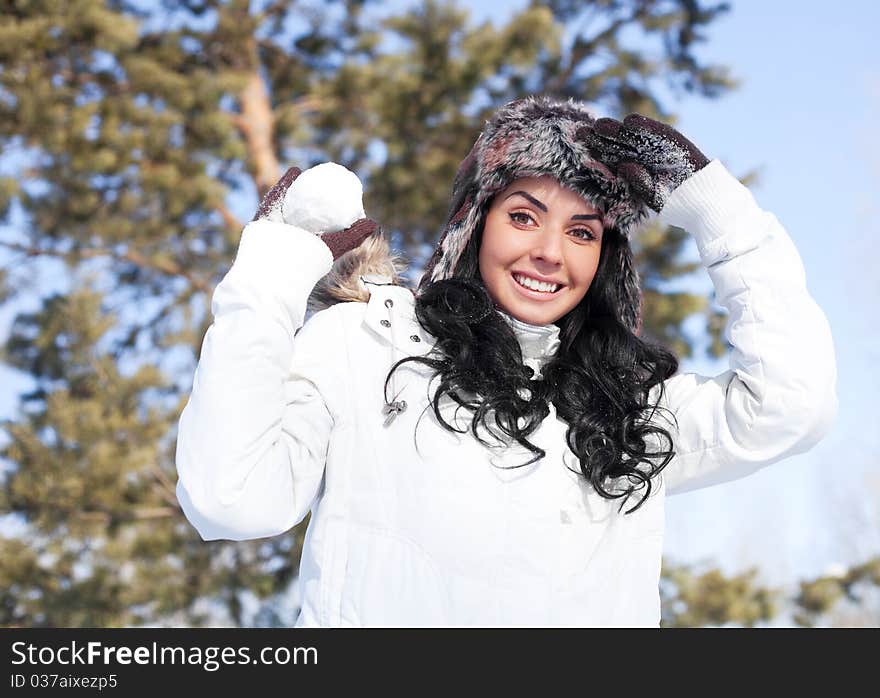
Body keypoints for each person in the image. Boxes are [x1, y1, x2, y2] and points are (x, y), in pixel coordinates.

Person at [175, 96, 838, 627]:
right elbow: (231, 499)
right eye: (525, 217)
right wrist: (268, 280)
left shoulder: (625, 410)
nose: (552, 252)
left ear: (605, 260)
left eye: (582, 231)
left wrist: (721, 219)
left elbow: (791, 405)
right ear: (476, 223)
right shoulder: (368, 342)